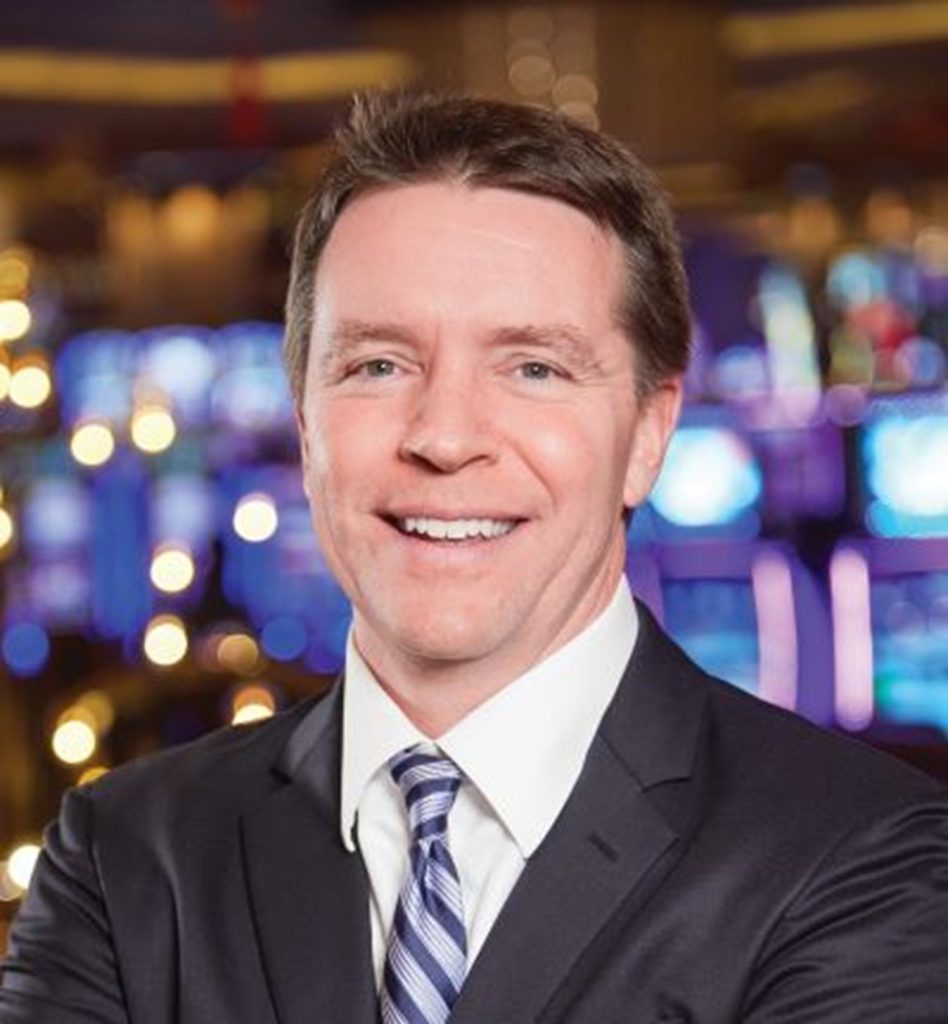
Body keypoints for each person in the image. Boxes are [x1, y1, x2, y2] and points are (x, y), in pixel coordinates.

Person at [2, 92, 947, 1024]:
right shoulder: (122, 855)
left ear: (649, 432)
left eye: (534, 367)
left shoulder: (863, 853)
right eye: (378, 365)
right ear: (305, 424)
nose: (445, 438)